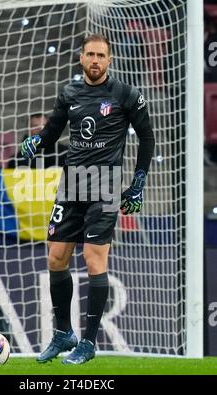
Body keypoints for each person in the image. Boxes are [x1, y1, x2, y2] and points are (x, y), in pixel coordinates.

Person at [21, 34, 155, 365]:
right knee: (55, 258)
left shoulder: (126, 95)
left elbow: (148, 138)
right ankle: (64, 333)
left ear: (109, 60)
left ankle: (89, 342)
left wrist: (137, 184)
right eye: (90, 54)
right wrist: (34, 141)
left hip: (105, 186)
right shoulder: (69, 93)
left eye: (101, 55)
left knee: (94, 260)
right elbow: (52, 132)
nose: (95, 60)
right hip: (72, 184)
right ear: (81, 58)